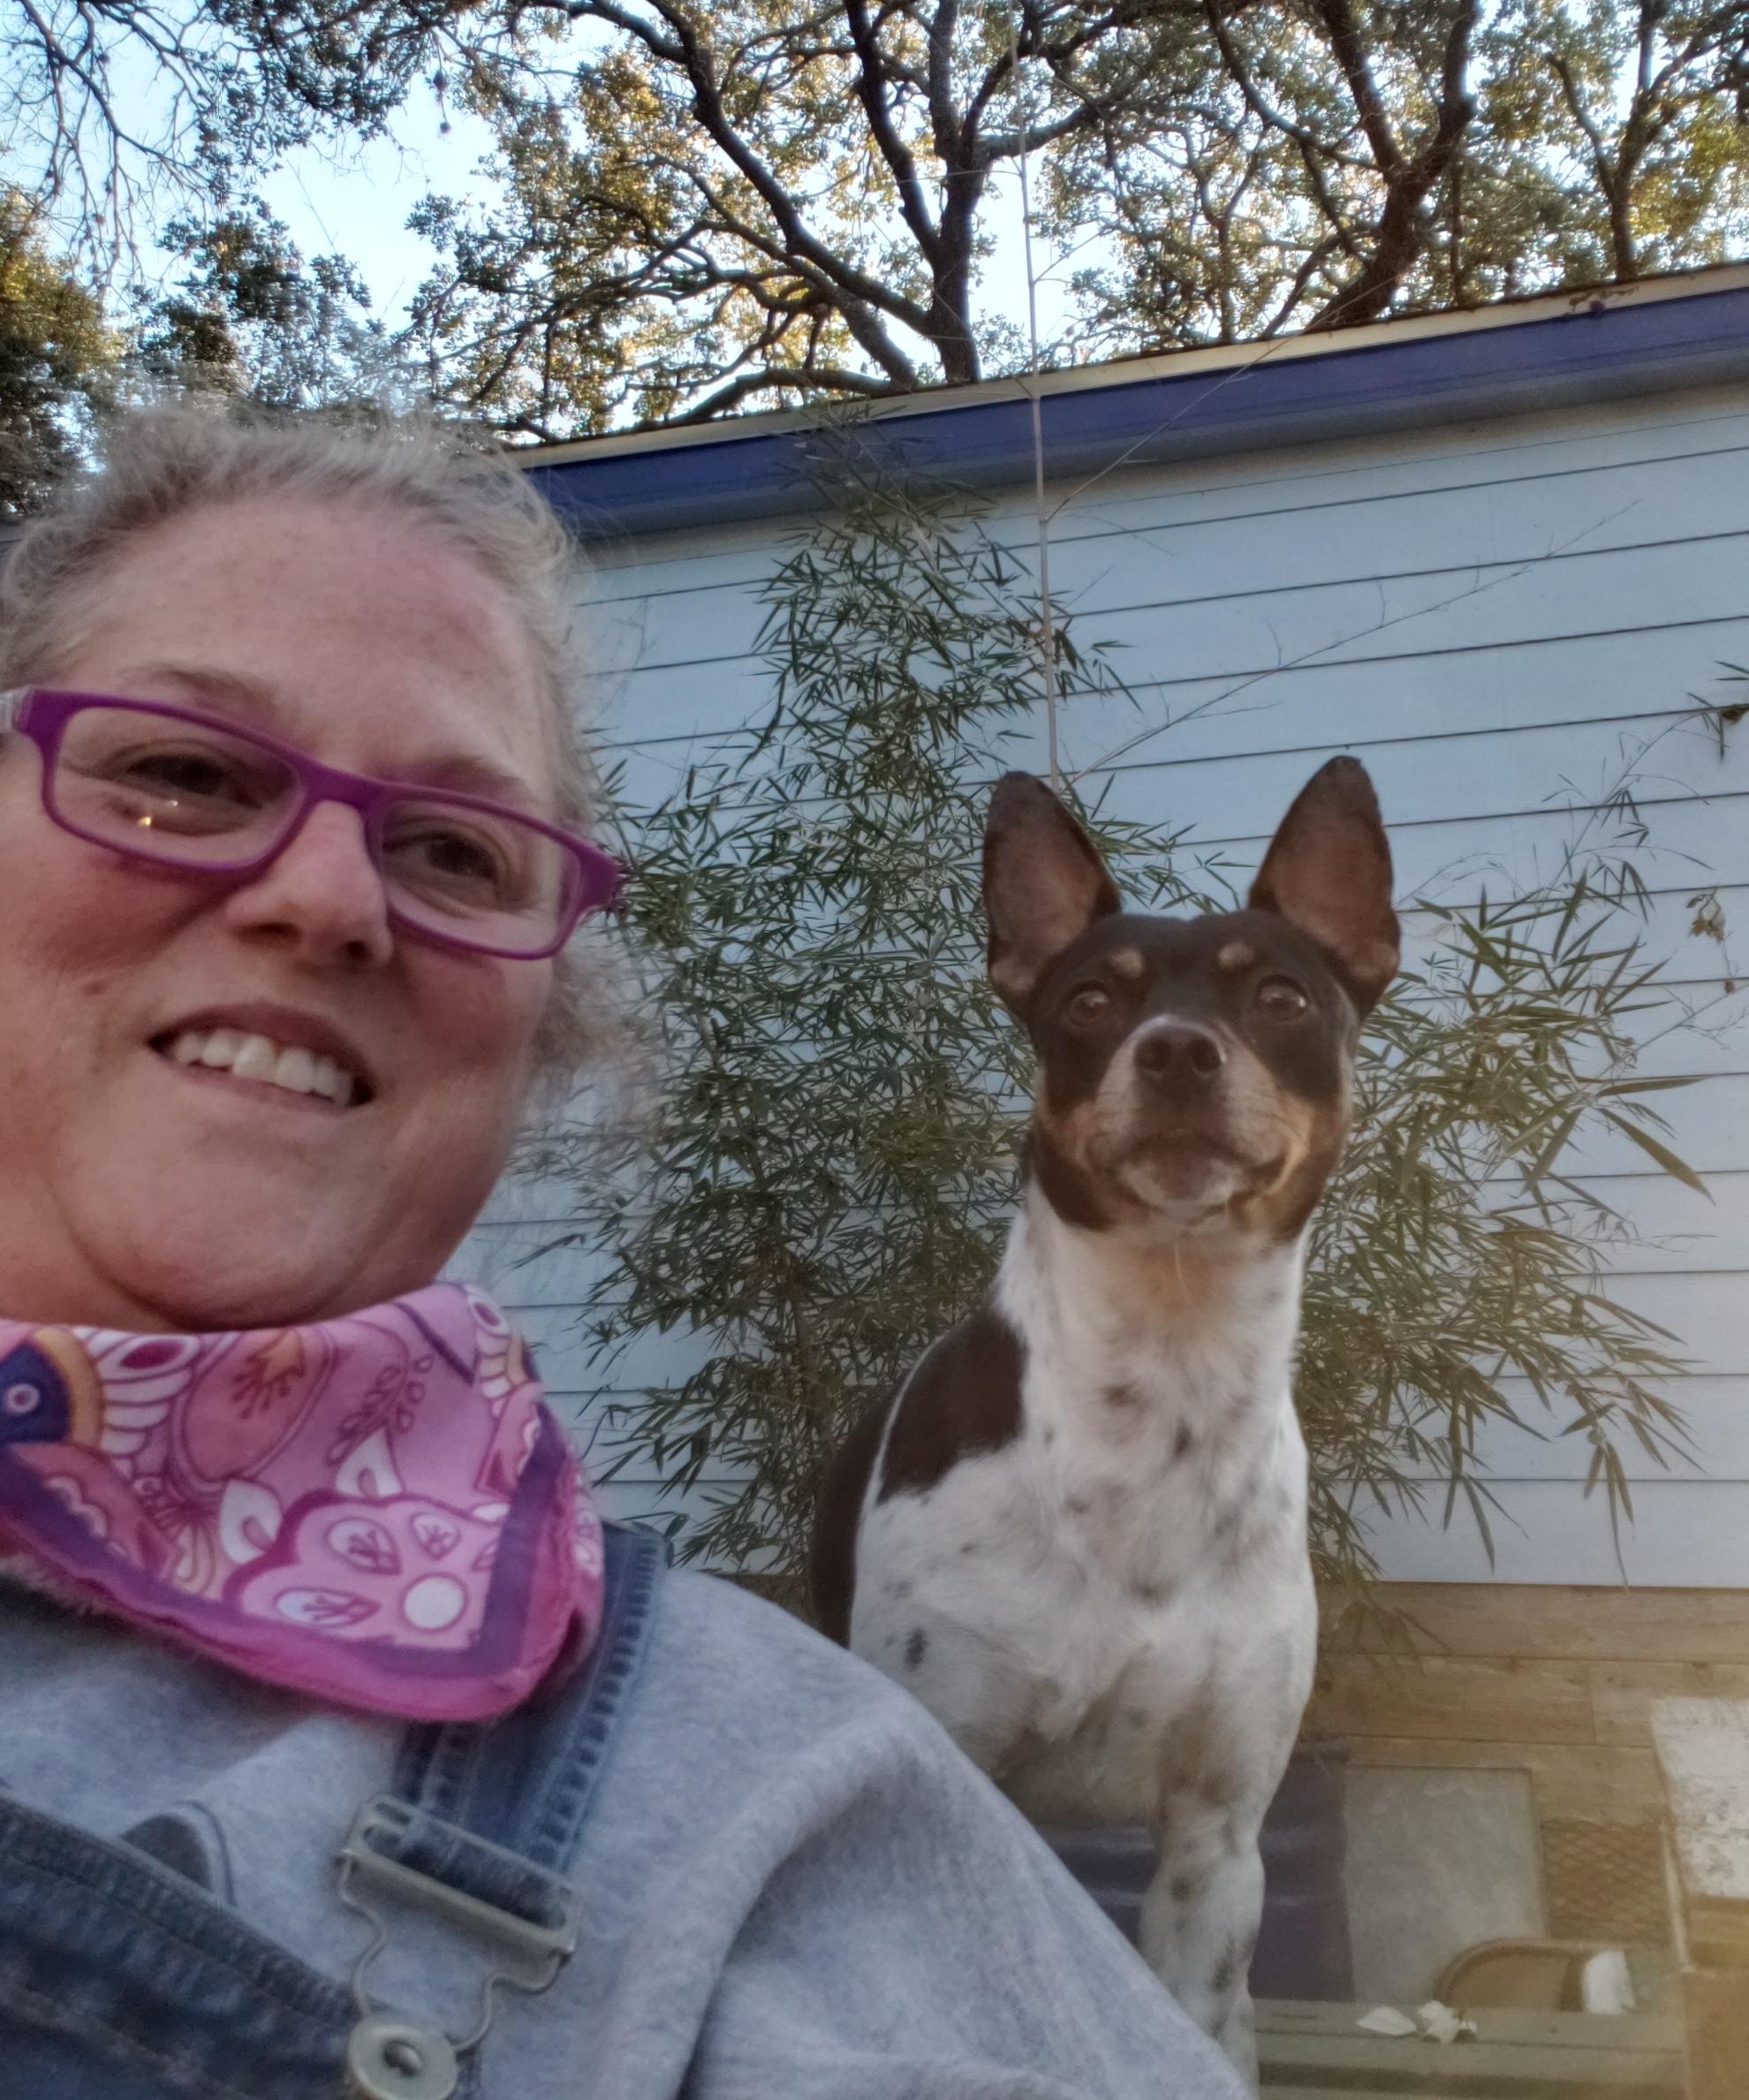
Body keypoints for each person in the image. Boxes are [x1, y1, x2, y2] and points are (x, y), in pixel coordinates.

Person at [0, 405, 1245, 2100]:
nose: (330, 898)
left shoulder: (759, 1804)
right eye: (184, 775)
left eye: (455, 852)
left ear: (543, 1023)